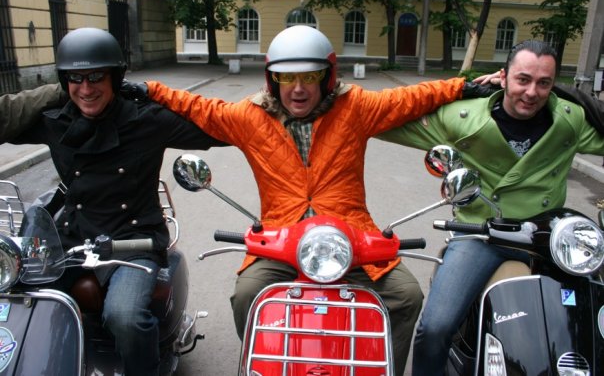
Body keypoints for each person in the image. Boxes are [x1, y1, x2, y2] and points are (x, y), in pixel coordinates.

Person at [125, 24, 495, 375]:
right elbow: (200, 108)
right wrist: (150, 89)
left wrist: (463, 87)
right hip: (280, 240)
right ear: (273, 80)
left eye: (310, 76)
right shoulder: (249, 117)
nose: (298, 89)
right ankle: (270, 363)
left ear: (327, 77)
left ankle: (379, 368)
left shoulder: (356, 107)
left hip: (351, 237)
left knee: (406, 296)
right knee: (247, 296)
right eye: (287, 78)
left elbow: (411, 98)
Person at [3, 27, 224, 376]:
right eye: (75, 78)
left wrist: (157, 92)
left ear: (115, 78)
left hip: (133, 241)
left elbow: (220, 126)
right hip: (72, 238)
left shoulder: (145, 119)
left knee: (125, 316)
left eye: (96, 77)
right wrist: (54, 93)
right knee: (21, 302)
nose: (86, 88)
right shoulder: (56, 119)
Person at [378, 40, 604, 375]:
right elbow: (384, 117)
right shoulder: (465, 118)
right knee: (435, 327)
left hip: (547, 238)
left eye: (544, 83)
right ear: (503, 76)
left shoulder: (568, 120)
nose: (531, 93)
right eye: (523, 79)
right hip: (482, 235)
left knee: (587, 321)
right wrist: (456, 89)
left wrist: (571, 95)